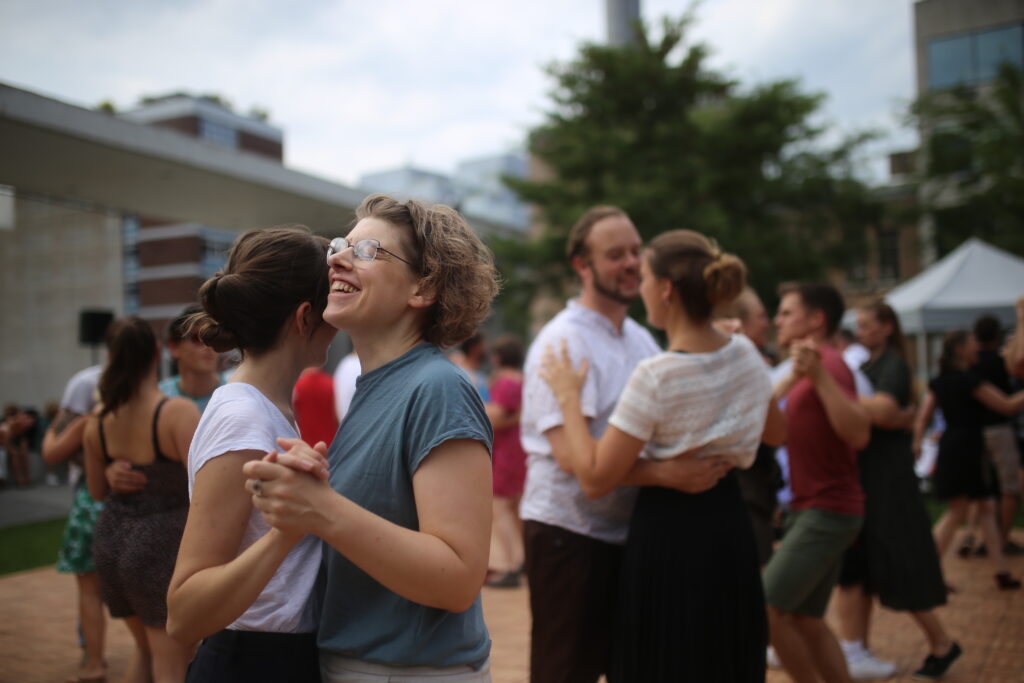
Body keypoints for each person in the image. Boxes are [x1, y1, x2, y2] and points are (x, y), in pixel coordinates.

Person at [241, 195, 499, 681]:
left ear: (424, 287)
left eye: (367, 251)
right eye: (340, 246)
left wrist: (324, 510)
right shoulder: (377, 387)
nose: (335, 258)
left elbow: (458, 578)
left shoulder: (437, 389)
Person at [540, 229, 782, 681]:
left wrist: (570, 398)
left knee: (667, 659)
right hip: (731, 525)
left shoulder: (657, 375)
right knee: (724, 655)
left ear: (666, 289)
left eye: (646, 275)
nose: (641, 285)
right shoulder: (746, 352)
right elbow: (776, 431)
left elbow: (593, 477)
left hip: (670, 537)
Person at [166, 226, 335, 682]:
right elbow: (184, 612)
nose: (339, 320)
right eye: (332, 305)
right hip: (254, 662)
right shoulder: (244, 417)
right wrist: (291, 529)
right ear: (304, 317)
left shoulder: (265, 406)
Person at [834, 302, 960, 681]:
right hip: (874, 478)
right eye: (858, 325)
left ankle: (941, 643)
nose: (861, 331)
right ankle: (861, 648)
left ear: (888, 327)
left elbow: (886, 412)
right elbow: (885, 412)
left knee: (898, 564)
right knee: (872, 568)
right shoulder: (874, 364)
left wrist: (833, 396)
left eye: (868, 324)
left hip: (888, 481)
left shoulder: (891, 364)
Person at [82, 316, 200, 683]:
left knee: (146, 650)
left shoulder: (99, 420)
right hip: (159, 547)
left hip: (111, 543)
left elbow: (97, 491)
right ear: (156, 352)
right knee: (171, 663)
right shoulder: (176, 412)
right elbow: (205, 486)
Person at [765, 283, 871, 683]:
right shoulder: (803, 367)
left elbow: (859, 434)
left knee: (767, 609)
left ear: (816, 320)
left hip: (827, 509)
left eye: (787, 312)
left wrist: (819, 376)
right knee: (805, 619)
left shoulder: (830, 362)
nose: (778, 320)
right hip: (809, 507)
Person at [913, 329, 1024, 591]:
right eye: (973, 343)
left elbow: (924, 415)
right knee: (957, 512)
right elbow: (1006, 405)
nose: (977, 348)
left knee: (985, 507)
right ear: (961, 349)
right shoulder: (970, 381)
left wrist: (918, 442)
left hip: (955, 446)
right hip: (966, 449)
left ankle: (1002, 571)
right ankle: (928, 574)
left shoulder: (940, 381)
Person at [42, 364, 107, 683]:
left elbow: (51, 453)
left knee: (90, 591)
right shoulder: (152, 411)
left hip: (91, 506)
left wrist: (56, 423)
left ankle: (94, 663)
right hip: (137, 511)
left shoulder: (89, 420)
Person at [970, 314, 1023, 555]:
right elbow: (1017, 362)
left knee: (983, 488)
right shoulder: (999, 362)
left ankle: (977, 537)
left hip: (975, 430)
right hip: (999, 430)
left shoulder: (970, 363)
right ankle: (1001, 540)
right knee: (1008, 487)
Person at [484, 334, 528, 588]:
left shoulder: (506, 383)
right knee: (514, 508)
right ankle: (521, 561)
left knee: (500, 507)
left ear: (498, 358)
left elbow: (495, 418)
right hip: (519, 451)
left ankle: (512, 564)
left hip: (506, 453)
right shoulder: (523, 381)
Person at [293, 365, 338, 447]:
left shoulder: (297, 387)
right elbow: (337, 415)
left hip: (306, 444)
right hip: (331, 443)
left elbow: (294, 417)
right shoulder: (332, 383)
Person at [451, 332, 491, 401]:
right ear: (474, 348)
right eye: (482, 345)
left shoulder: (479, 376)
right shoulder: (463, 375)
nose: (486, 348)